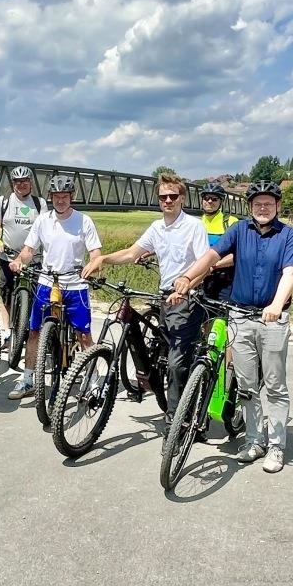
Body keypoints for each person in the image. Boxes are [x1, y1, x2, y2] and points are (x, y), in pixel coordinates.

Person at [175, 181, 293, 474]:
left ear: (278, 206)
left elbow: (290, 272)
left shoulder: (289, 235)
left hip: (272, 319)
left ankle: (276, 446)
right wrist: (187, 276)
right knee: (245, 385)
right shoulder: (239, 231)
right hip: (240, 317)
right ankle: (254, 441)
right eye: (258, 204)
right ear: (250, 207)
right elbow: (212, 256)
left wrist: (277, 304)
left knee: (274, 385)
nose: (263, 208)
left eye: (269, 203)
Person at [82, 173, 210, 431]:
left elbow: (204, 266)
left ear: (182, 198)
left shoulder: (194, 226)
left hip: (188, 299)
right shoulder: (157, 227)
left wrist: (187, 286)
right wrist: (103, 259)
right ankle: (160, 388)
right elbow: (132, 252)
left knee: (176, 362)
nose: (168, 200)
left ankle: (179, 419)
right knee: (162, 352)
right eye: (163, 197)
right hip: (165, 296)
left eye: (173, 196)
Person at [7, 175, 102, 399]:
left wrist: (93, 264)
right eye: (57, 196)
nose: (60, 200)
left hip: (76, 284)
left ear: (72, 197)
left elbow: (96, 253)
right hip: (48, 282)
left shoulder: (84, 221)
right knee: (34, 332)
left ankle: (93, 379)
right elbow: (29, 249)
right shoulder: (43, 220)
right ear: (51, 197)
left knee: (84, 335)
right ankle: (28, 379)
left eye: (65, 196)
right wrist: (20, 260)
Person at [0, 165, 47, 345]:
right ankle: (7, 331)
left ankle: (33, 330)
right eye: (17, 181)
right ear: (13, 183)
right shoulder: (4, 201)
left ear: (30, 182)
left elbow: (45, 228)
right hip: (7, 255)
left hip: (33, 257)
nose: (21, 184)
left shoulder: (39, 203)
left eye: (25, 181)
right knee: (6, 293)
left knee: (38, 296)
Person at [198, 182, 238, 300]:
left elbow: (238, 253)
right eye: (206, 198)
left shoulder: (231, 222)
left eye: (214, 199)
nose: (210, 201)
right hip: (200, 278)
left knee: (221, 315)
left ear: (221, 202)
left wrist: (214, 266)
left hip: (224, 280)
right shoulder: (196, 223)